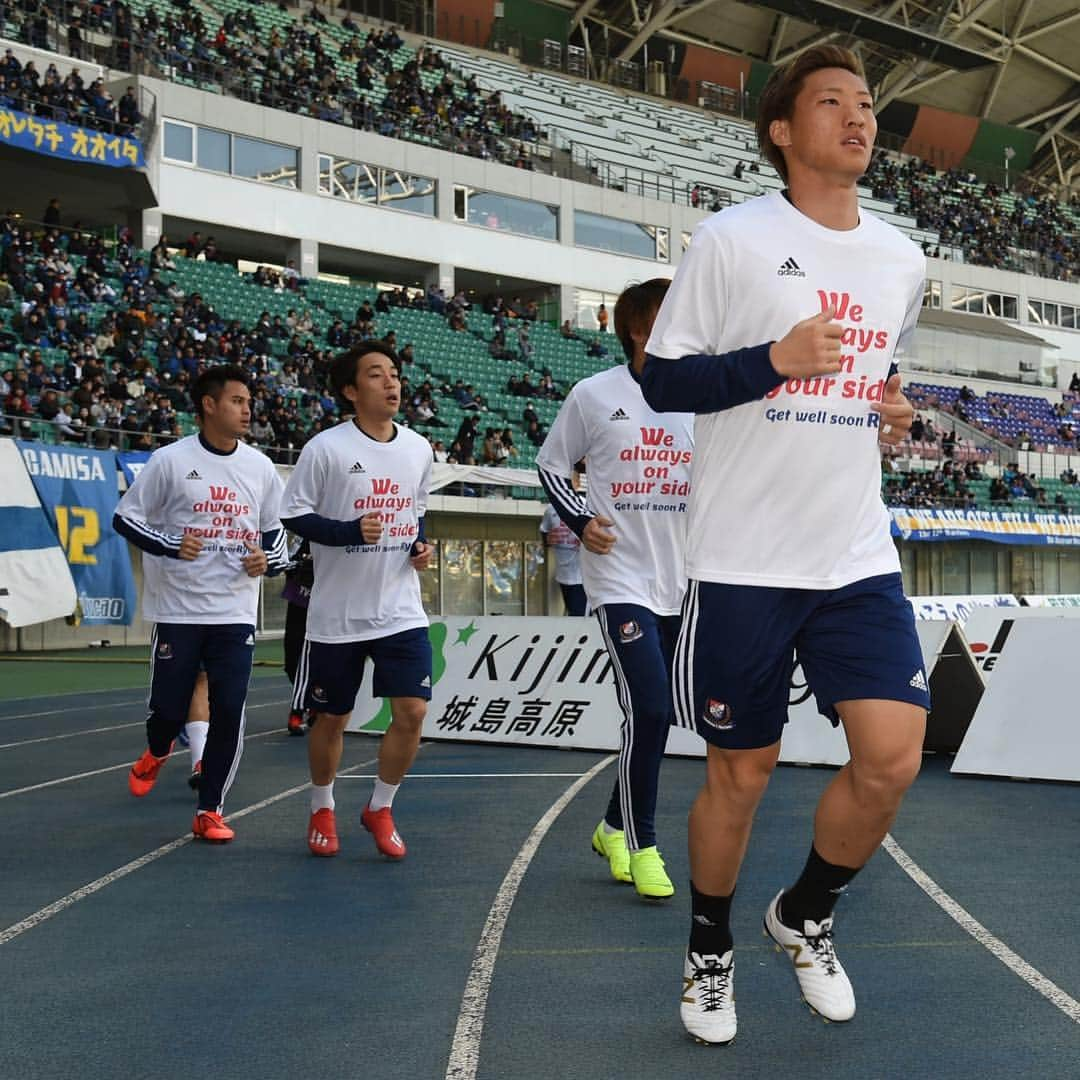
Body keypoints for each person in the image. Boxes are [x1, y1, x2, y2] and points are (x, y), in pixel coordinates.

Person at [641, 44, 924, 1044]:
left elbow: (883, 373)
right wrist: (774, 360)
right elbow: (666, 383)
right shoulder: (733, 239)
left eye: (867, 105)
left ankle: (803, 914)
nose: (859, 118)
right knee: (741, 773)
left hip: (854, 551)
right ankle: (710, 951)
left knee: (891, 759)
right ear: (782, 129)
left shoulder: (902, 257)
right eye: (834, 102)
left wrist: (891, 409)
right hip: (744, 560)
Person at [537, 279, 694, 902]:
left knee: (659, 718)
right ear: (636, 328)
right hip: (619, 578)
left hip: (682, 581)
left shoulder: (700, 401)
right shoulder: (595, 394)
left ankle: (610, 825)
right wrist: (580, 520)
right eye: (668, 314)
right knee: (649, 708)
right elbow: (552, 463)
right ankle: (643, 843)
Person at [114, 364, 288, 843]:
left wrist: (266, 561)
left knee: (229, 707)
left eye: (249, 401)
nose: (247, 408)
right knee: (169, 711)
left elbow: (277, 539)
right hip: (178, 610)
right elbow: (125, 519)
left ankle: (210, 808)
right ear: (209, 405)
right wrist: (171, 545)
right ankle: (156, 749)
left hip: (234, 611)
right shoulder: (171, 460)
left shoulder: (259, 467)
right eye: (237, 400)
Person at [281, 342, 433, 861]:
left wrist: (419, 545)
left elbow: (416, 511)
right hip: (337, 615)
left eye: (393, 373)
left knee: (412, 711)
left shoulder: (418, 448)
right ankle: (322, 805)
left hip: (400, 608)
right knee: (332, 719)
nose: (391, 383)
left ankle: (380, 806)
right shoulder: (326, 448)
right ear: (351, 391)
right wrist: (347, 530)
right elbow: (294, 514)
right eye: (376, 375)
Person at [282, 537, 314, 736]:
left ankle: (300, 709)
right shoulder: (303, 534)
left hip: (328, 607)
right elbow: (284, 562)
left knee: (320, 661)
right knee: (292, 661)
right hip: (298, 606)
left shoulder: (338, 528)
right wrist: (304, 563)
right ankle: (309, 702)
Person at [538, 490, 586, 617]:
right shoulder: (551, 509)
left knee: (579, 616)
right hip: (563, 574)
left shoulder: (586, 505)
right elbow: (544, 531)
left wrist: (586, 541)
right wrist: (547, 540)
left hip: (584, 576)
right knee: (573, 613)